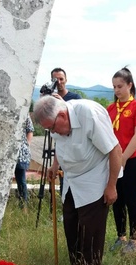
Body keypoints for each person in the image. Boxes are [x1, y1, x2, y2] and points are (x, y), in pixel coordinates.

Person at [34, 96, 122, 265]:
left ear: (62, 116)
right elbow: (60, 143)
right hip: (72, 181)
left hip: (95, 179)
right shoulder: (56, 123)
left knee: (90, 231)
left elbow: (115, 149)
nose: (52, 132)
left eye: (51, 127)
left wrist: (111, 186)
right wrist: (55, 165)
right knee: (71, 225)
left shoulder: (89, 114)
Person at [107, 67, 136, 254]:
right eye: (114, 87)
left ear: (130, 85)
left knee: (131, 200)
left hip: (131, 161)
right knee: (116, 200)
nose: (117, 90)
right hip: (114, 160)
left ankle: (134, 240)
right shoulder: (110, 109)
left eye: (120, 86)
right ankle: (120, 236)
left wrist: (123, 158)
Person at [49, 68, 82, 196]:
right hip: (61, 146)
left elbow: (79, 120)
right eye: (55, 79)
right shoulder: (50, 99)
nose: (59, 82)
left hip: (75, 149)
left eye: (61, 79)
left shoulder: (75, 98)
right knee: (64, 186)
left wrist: (62, 103)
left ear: (66, 80)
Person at [14, 114, 34, 210]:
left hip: (20, 152)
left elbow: (30, 130)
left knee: (21, 181)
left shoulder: (24, 113)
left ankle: (23, 207)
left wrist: (27, 144)